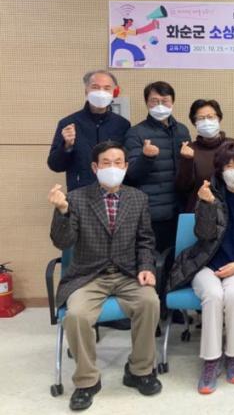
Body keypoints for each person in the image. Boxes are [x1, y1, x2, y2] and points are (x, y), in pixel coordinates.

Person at [48, 141, 161, 411]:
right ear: (95, 167)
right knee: (77, 315)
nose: (113, 168)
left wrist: (146, 267)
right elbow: (63, 242)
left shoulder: (138, 198)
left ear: (126, 166)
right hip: (88, 275)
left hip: (127, 273)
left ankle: (139, 370)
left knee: (150, 302)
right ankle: (87, 381)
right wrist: (62, 211)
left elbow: (145, 240)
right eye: (106, 163)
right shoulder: (76, 198)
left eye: (118, 162)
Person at [168, 139, 234, 394]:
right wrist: (206, 205)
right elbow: (203, 235)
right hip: (205, 263)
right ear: (220, 171)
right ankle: (211, 361)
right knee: (213, 295)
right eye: (229, 166)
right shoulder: (208, 193)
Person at [124, 81, 191, 311]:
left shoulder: (182, 130)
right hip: (151, 210)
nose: (160, 105)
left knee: (176, 260)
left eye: (165, 101)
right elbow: (131, 175)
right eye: (154, 101)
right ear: (146, 103)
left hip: (177, 209)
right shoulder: (136, 133)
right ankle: (153, 309)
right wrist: (146, 157)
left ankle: (173, 306)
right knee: (150, 262)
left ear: (173, 102)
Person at [48, 70, 130, 191]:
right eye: (95, 87)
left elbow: (126, 163)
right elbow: (55, 165)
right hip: (79, 193)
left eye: (107, 88)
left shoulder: (122, 124)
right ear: (86, 91)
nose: (101, 92)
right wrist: (67, 146)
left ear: (114, 92)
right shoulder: (68, 123)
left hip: (114, 192)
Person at [176, 99, 229, 212]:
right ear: (194, 123)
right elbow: (183, 187)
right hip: (199, 211)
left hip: (229, 209)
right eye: (200, 118)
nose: (206, 121)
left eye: (210, 117)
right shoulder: (189, 149)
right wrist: (187, 160)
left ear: (219, 118)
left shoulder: (233, 146)